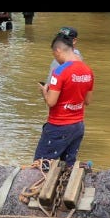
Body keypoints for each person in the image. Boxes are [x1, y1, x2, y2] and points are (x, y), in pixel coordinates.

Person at [34, 35, 94, 163]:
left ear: (58, 51)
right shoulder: (88, 71)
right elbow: (87, 101)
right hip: (78, 126)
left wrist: (45, 92)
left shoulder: (60, 71)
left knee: (40, 166)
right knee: (67, 167)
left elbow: (51, 102)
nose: (56, 58)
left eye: (54, 55)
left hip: (58, 126)